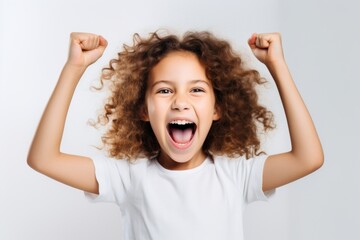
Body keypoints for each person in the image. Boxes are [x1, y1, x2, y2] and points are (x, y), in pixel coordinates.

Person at [27, 31, 324, 240]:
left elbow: (308, 158)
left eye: (196, 89)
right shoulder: (128, 177)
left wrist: (278, 66)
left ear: (217, 108)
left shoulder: (235, 176)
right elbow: (44, 159)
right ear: (144, 110)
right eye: (165, 90)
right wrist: (73, 68)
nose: (180, 101)